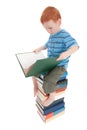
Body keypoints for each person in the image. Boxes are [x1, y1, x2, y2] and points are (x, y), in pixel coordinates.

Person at [32, 6, 79, 106]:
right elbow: (47, 44)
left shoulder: (64, 35)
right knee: (34, 70)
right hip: (50, 63)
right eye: (46, 29)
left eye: (50, 28)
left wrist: (66, 53)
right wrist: (39, 48)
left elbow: (75, 46)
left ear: (59, 22)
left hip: (60, 66)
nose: (49, 31)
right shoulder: (52, 35)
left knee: (48, 80)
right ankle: (36, 86)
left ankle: (52, 96)